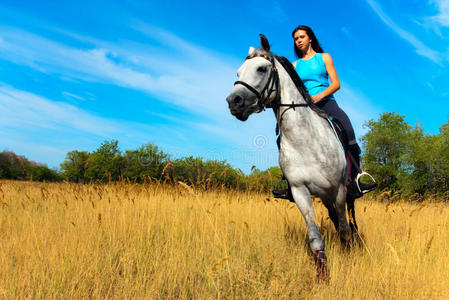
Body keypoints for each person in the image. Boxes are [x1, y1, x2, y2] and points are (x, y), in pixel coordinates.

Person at [273, 25, 376, 199]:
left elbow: (336, 84)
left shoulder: (324, 57)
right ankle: (289, 182)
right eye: (296, 39)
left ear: (310, 38)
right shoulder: (295, 65)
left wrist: (320, 96)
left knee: (347, 127)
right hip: (304, 107)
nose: (298, 41)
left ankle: (356, 177)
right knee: (282, 137)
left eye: (302, 37)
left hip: (326, 101)